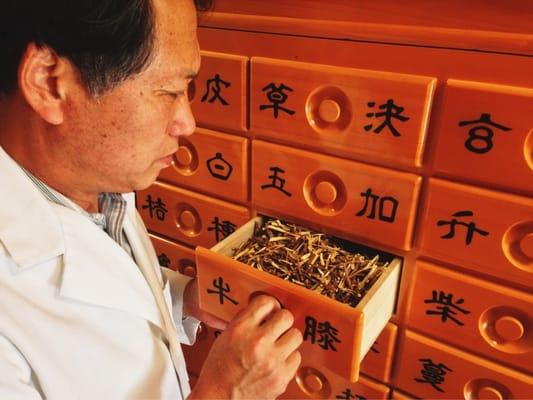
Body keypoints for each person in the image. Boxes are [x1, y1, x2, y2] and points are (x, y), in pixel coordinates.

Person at [0, 0, 303, 398]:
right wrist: (225, 393)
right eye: (169, 91)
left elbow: (120, 298)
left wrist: (189, 301)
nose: (187, 122)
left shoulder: (98, 185)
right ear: (49, 84)